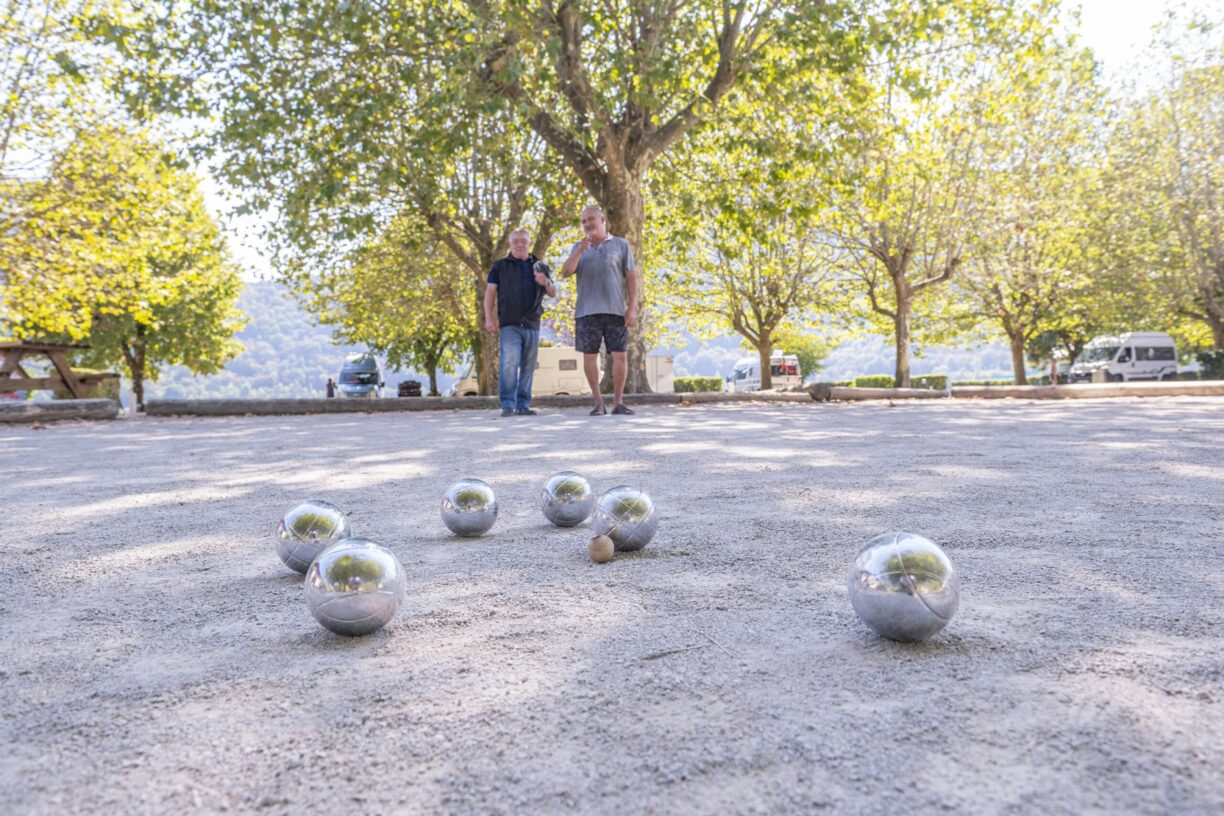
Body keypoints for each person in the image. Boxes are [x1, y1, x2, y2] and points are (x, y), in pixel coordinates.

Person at [560, 205, 639, 415]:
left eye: (591, 219)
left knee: (620, 355)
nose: (587, 224)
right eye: (584, 221)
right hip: (586, 312)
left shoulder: (620, 245)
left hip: (615, 310)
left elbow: (631, 277)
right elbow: (566, 272)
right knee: (589, 357)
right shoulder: (578, 247)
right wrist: (580, 250)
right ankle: (598, 403)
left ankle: (618, 403)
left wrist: (632, 307)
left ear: (602, 219)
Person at [484, 229, 556, 417]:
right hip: (509, 324)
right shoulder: (500, 266)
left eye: (523, 240)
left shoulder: (539, 265)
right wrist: (489, 318)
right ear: (510, 244)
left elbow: (552, 292)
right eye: (515, 241)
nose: (519, 244)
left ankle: (523, 405)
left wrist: (545, 282)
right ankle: (508, 405)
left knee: (528, 366)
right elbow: (490, 292)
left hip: (532, 323)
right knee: (509, 362)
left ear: (529, 243)